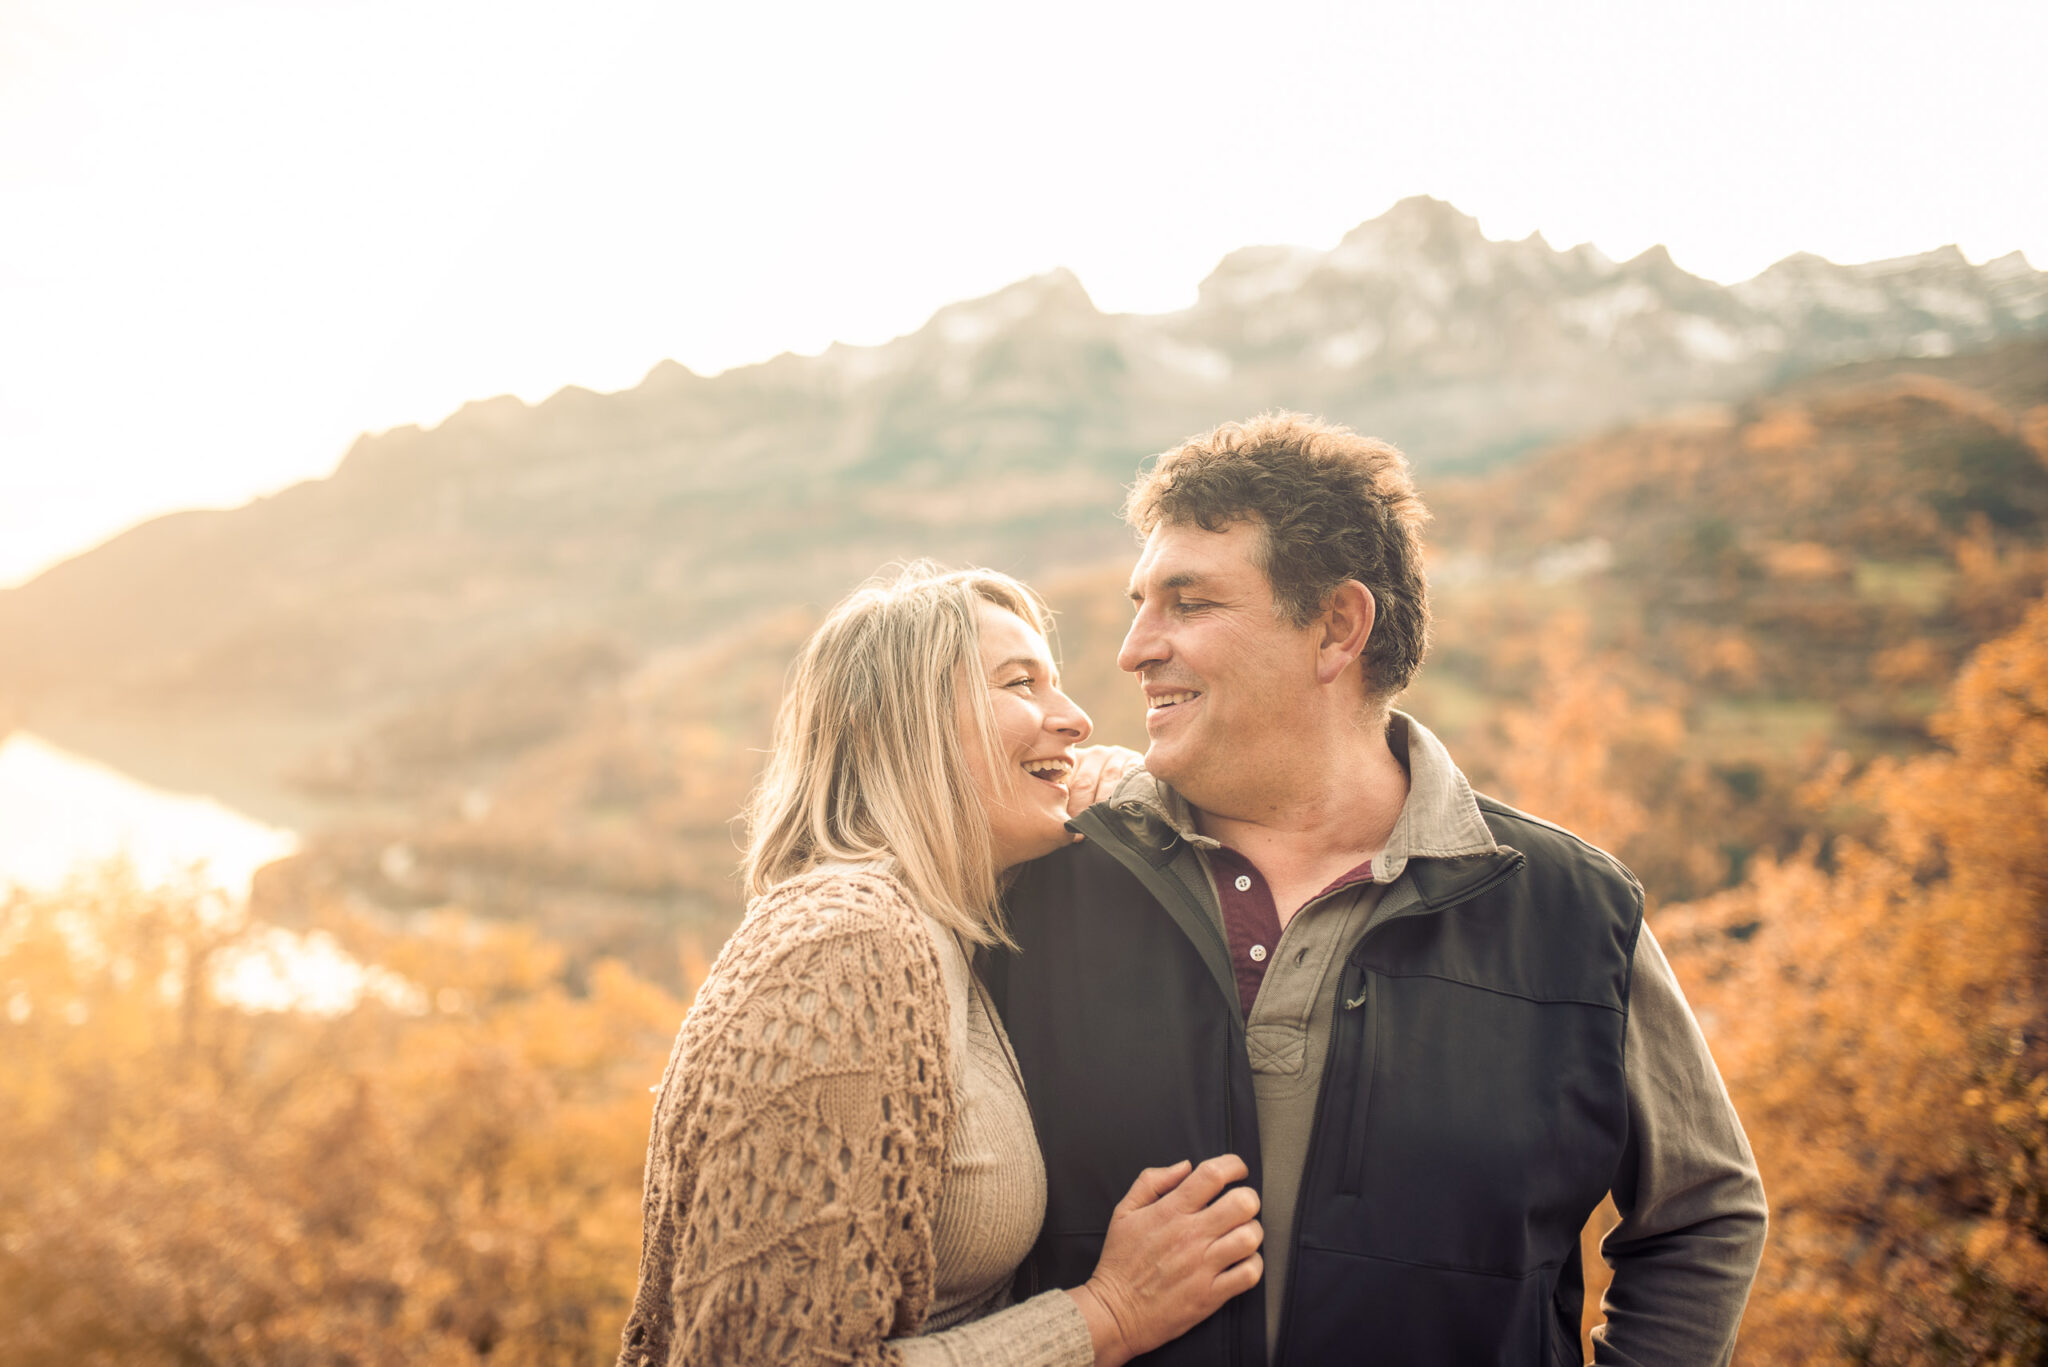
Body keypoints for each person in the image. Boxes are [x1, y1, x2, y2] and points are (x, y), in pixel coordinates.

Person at [986, 415, 1769, 1365]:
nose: (1134, 647)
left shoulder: (1573, 910)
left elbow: (1704, 1211)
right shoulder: (1038, 884)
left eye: (1187, 603)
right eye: (1140, 601)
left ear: (1336, 627)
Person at [617, 563, 1264, 1367]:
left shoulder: (945, 933)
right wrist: (1107, 1315)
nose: (1075, 717)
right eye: (1020, 683)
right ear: (906, 726)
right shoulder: (847, 946)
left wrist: (1133, 788)